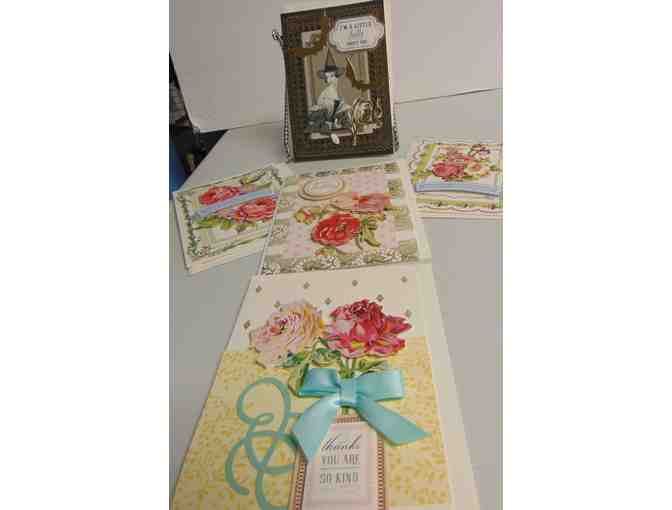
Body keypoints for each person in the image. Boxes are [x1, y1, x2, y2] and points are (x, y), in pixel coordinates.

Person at [306, 47, 352, 136]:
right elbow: (327, 108)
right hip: (325, 115)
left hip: (333, 117)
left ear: (336, 76)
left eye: (331, 76)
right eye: (327, 77)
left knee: (346, 110)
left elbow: (338, 106)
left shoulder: (335, 89)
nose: (328, 80)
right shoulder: (328, 91)